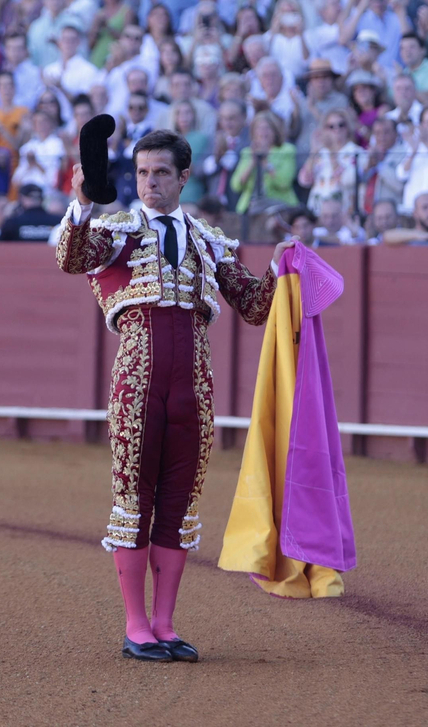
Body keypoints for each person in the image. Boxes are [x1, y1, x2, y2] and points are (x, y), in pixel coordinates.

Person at [56, 130, 290, 663]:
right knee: (134, 499)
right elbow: (72, 257)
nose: (149, 183)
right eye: (141, 173)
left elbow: (254, 307)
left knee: (179, 502)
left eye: (160, 173)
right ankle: (135, 624)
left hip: (194, 384)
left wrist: (279, 268)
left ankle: (164, 623)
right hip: (137, 379)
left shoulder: (209, 240)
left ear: (183, 177)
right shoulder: (116, 230)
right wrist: (83, 201)